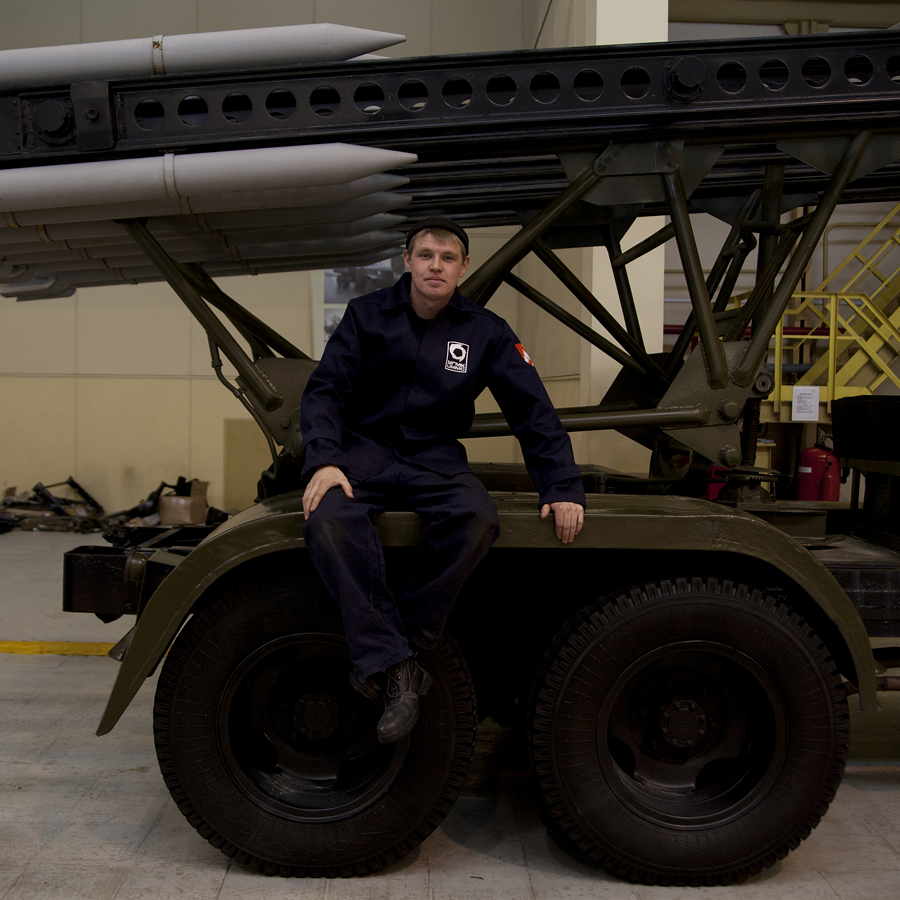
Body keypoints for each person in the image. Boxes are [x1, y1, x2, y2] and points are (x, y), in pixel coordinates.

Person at [300, 216, 585, 744]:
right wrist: (324, 460)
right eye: (426, 255)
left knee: (475, 516)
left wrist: (562, 485)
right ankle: (399, 664)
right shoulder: (366, 316)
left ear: (462, 267)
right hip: (365, 454)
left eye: (447, 258)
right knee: (331, 515)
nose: (436, 266)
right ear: (407, 261)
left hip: (435, 460)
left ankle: (400, 648)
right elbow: (325, 392)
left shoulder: (487, 332)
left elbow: (534, 412)